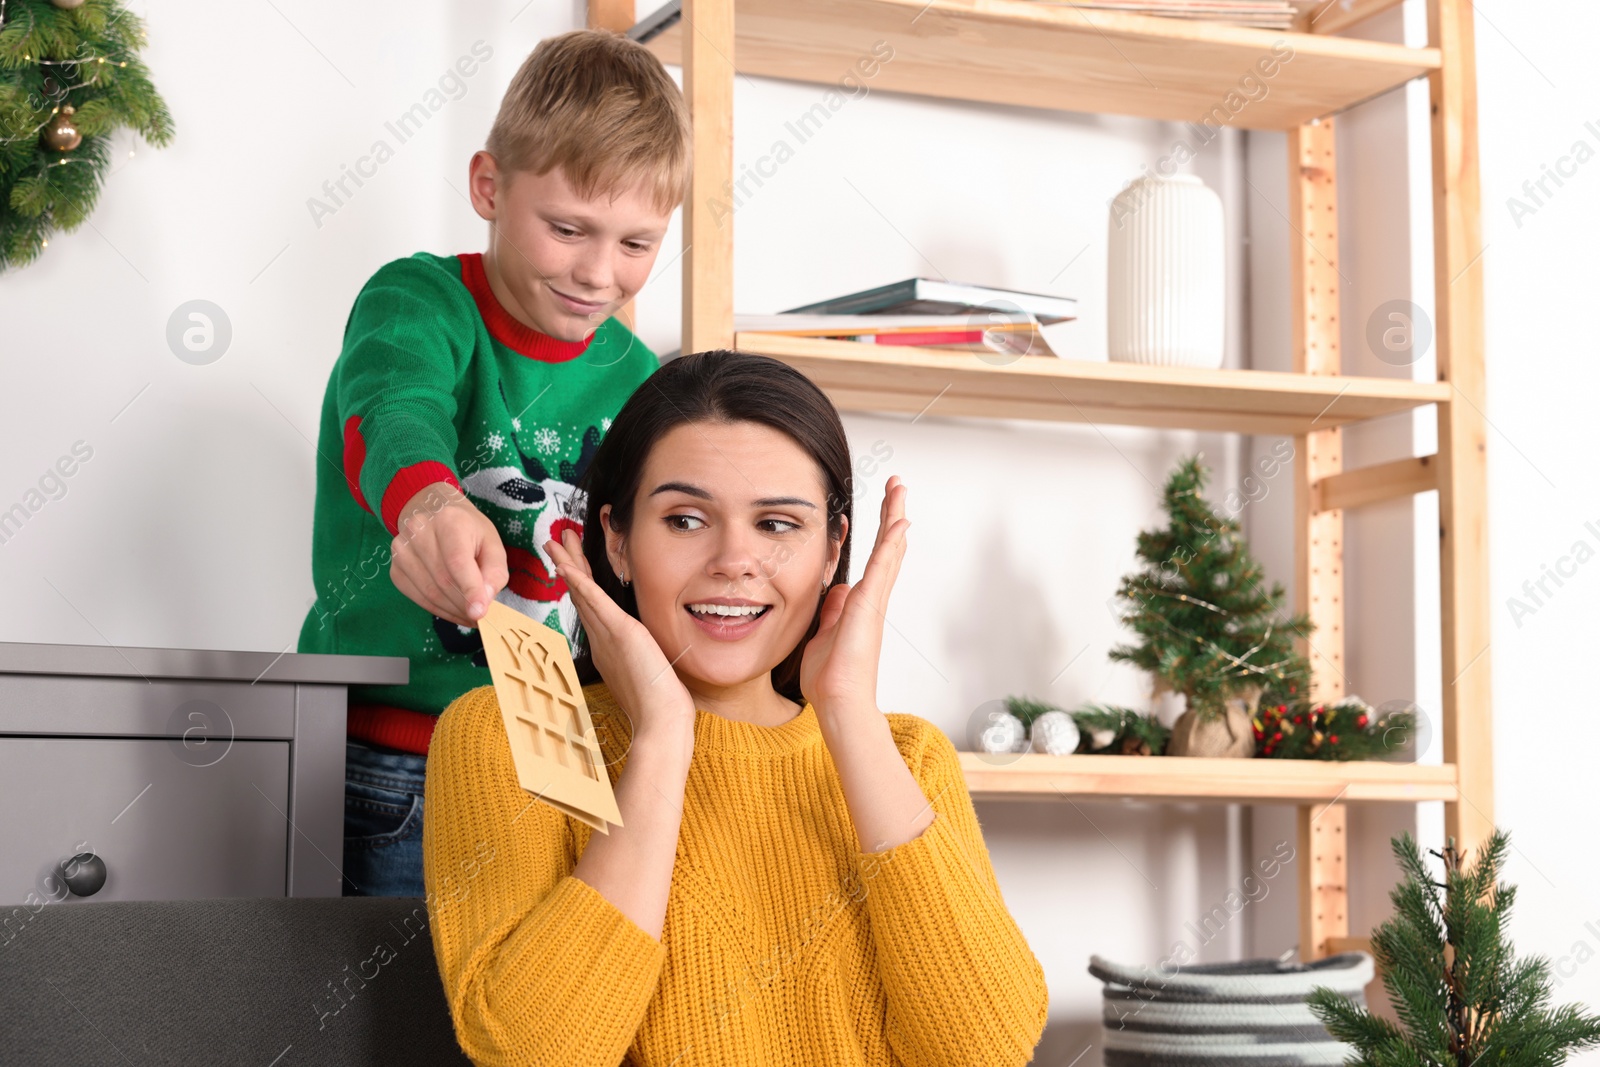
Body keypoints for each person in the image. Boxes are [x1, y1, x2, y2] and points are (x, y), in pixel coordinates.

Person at [420, 351, 1049, 1066]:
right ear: (617, 540)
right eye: (686, 519)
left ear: (832, 548)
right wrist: (661, 737)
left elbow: (986, 1047)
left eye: (778, 525)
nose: (734, 560)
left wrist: (846, 712)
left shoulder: (905, 757)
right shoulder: (523, 729)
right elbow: (532, 1051)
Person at [295, 28, 691, 897]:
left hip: (560, 774)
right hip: (396, 769)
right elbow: (391, 412)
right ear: (488, 186)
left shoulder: (640, 377)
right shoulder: (419, 299)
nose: (597, 273)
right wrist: (431, 503)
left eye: (636, 244)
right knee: (400, 1034)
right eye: (567, 229)